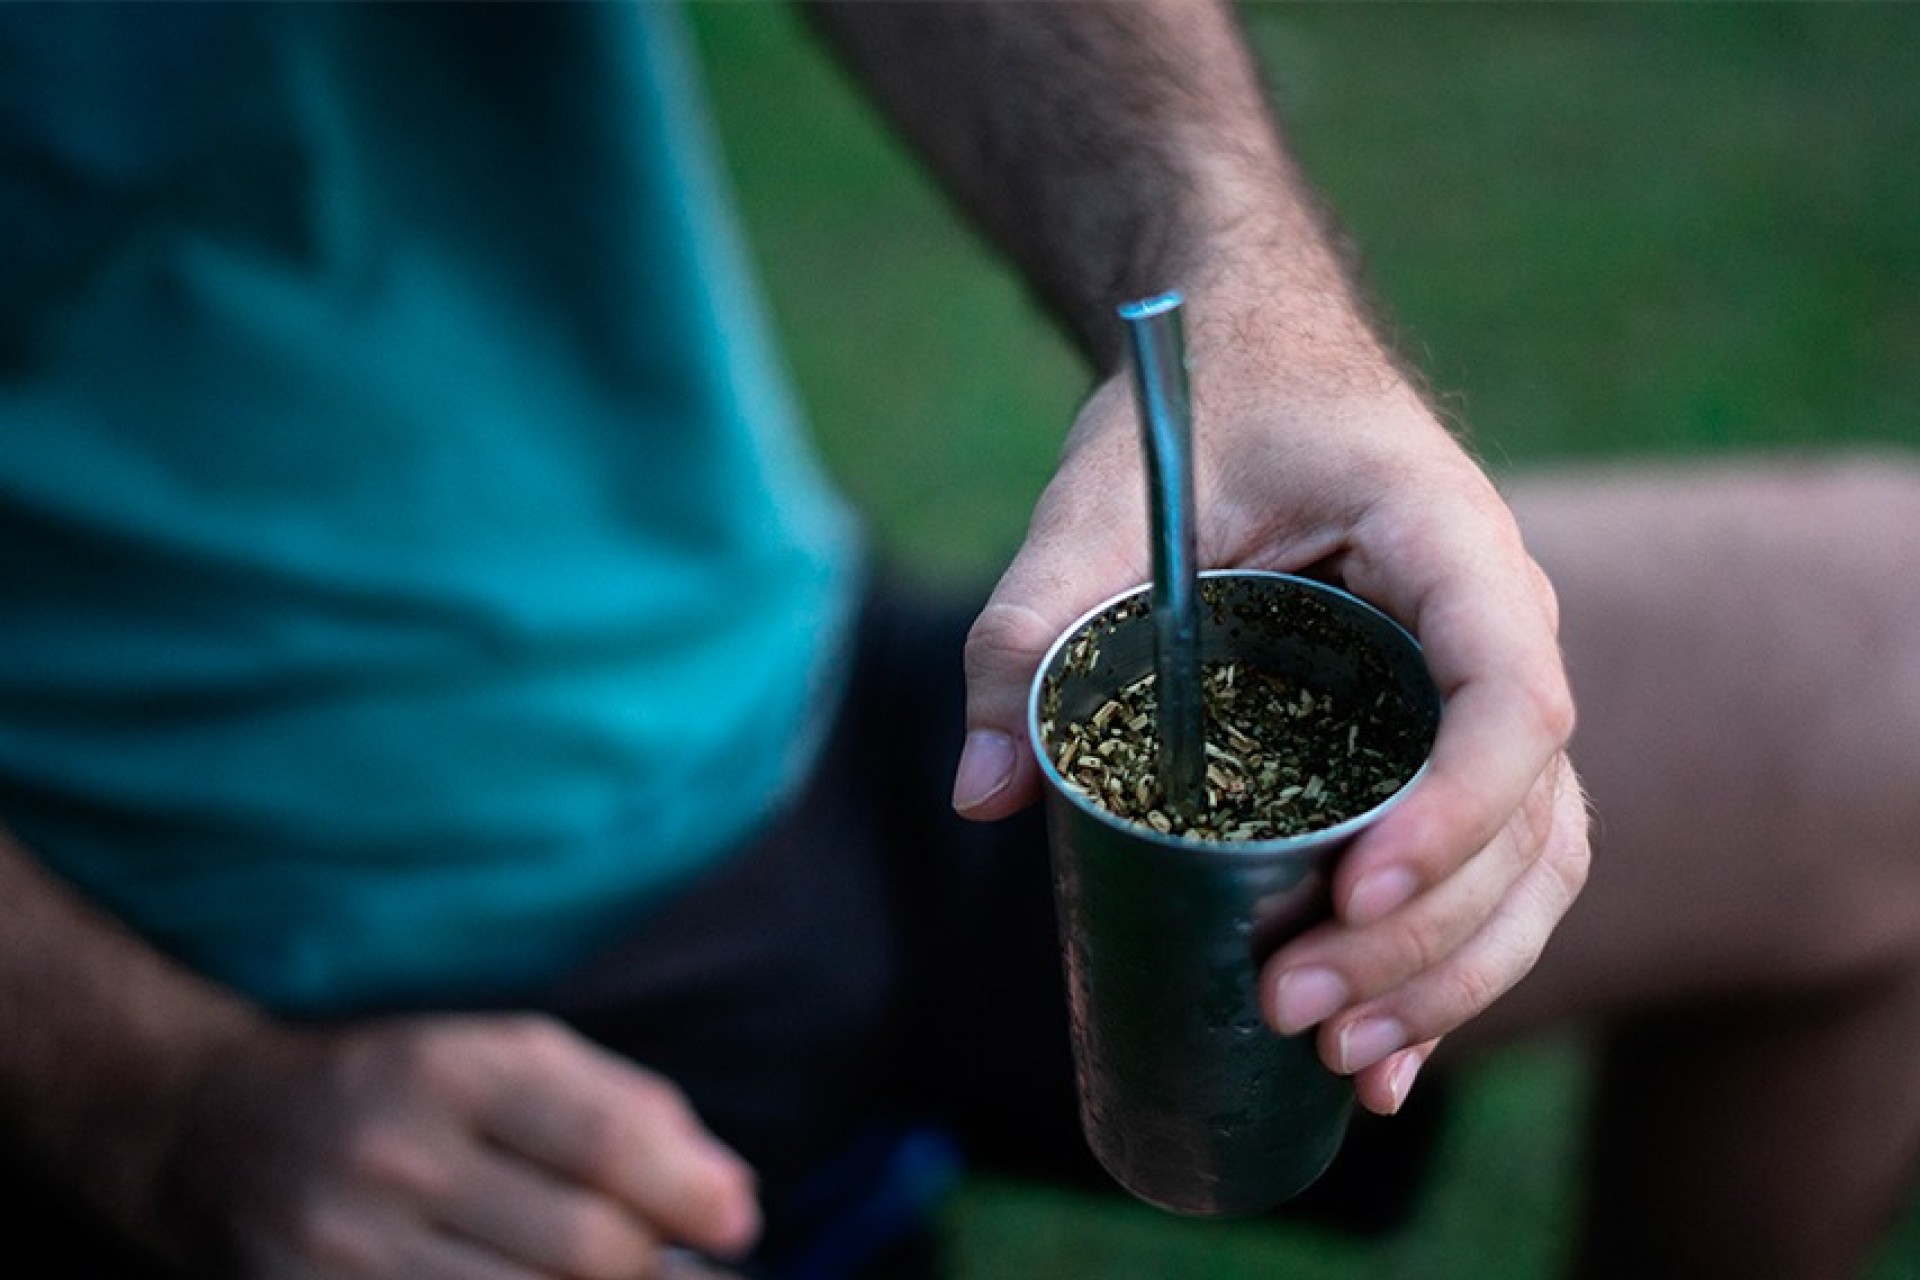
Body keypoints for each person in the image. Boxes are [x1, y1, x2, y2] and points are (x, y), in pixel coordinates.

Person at [0, 3, 1909, 1278]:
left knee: (1887, 651)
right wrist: (165, 1101)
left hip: (804, 703)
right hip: (240, 971)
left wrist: (1245, 282)